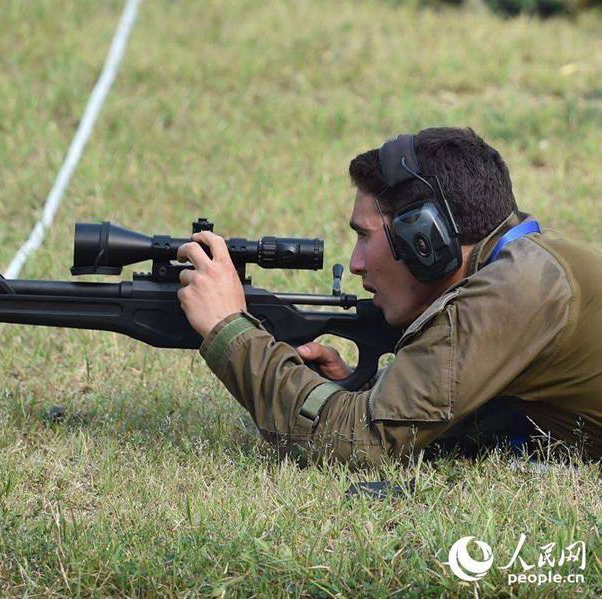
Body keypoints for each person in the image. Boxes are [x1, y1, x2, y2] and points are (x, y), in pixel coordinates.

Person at [175, 127, 601, 465]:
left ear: (424, 240)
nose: (357, 263)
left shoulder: (517, 289)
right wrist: (376, 390)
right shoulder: (526, 264)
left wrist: (229, 328)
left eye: (365, 237)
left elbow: (360, 442)